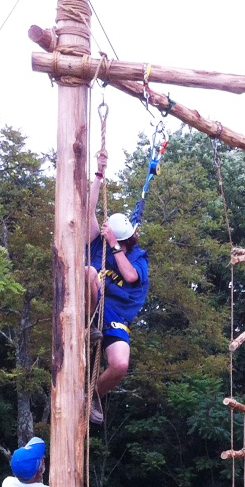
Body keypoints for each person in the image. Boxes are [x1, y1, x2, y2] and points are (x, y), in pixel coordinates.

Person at [87, 153, 149, 423]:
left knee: (120, 364)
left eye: (123, 243)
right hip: (94, 306)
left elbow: (131, 276)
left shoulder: (135, 256)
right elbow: (87, 211)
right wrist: (99, 175)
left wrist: (115, 243)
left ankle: (93, 395)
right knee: (89, 271)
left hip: (116, 315)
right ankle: (90, 326)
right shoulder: (97, 246)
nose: (118, 248)